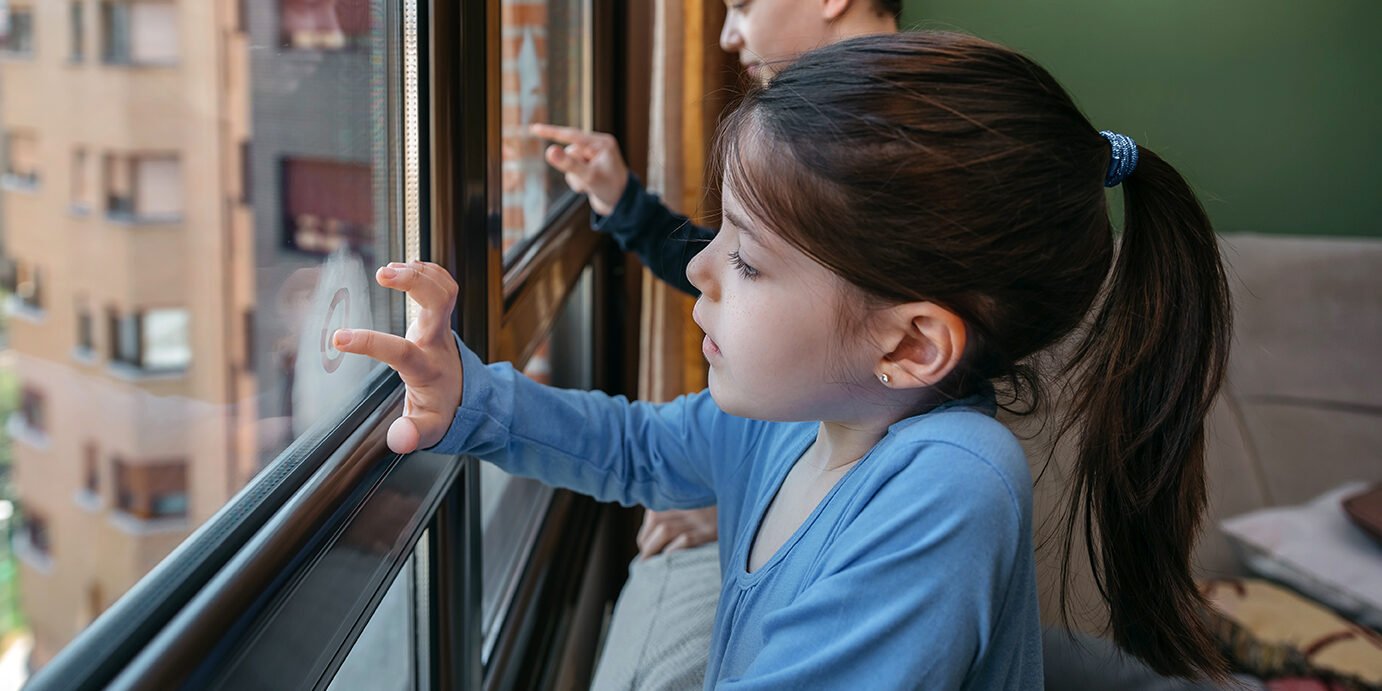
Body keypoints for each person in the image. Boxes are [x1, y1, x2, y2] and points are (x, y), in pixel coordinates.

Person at [334, 32, 1232, 687]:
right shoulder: (791, 418)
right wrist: (473, 397)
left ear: (910, 344)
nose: (695, 268)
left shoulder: (950, 480)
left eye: (748, 258)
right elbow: (635, 449)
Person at [534, 0, 902, 559]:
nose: (729, 36)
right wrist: (625, 202)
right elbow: (754, 273)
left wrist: (750, 500)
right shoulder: (846, 116)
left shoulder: (904, 142)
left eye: (741, 6)